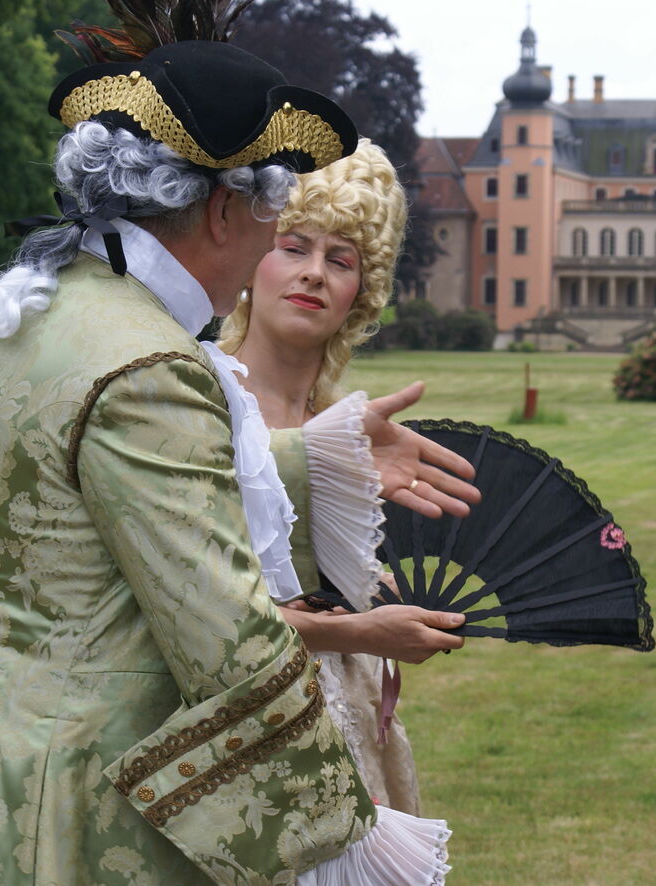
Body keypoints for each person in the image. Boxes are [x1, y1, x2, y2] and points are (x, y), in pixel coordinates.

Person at [0, 7, 474, 885]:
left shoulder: (10, 308)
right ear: (219, 212)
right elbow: (232, 647)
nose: (261, 256)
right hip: (53, 810)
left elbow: (67, 492)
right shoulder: (151, 364)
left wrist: (320, 456)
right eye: (269, 221)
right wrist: (353, 840)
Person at [218, 141, 461, 814]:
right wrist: (357, 628)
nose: (314, 274)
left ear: (363, 289)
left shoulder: (348, 426)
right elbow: (200, 607)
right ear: (251, 257)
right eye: (293, 246)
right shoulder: (195, 394)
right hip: (231, 731)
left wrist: (365, 590)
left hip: (343, 718)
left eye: (341, 259)